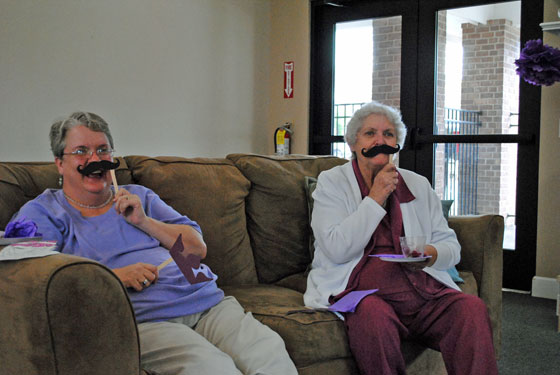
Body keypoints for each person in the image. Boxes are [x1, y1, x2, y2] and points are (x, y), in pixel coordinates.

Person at [10, 111, 297, 375]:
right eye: (81, 151)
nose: (94, 159)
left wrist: (144, 222)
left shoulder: (139, 196)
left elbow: (196, 250)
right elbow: (32, 279)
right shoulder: (46, 211)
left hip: (207, 301)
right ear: (60, 163)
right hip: (146, 318)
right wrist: (114, 277)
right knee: (213, 368)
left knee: (270, 354)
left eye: (102, 149)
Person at [303, 101, 498, 375]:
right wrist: (375, 198)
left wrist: (430, 253)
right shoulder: (332, 183)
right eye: (370, 133)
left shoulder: (418, 184)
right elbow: (336, 249)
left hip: (422, 291)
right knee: (371, 318)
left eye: (389, 134)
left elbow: (452, 247)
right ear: (353, 143)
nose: (381, 140)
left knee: (470, 309)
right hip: (362, 293)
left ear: (398, 143)